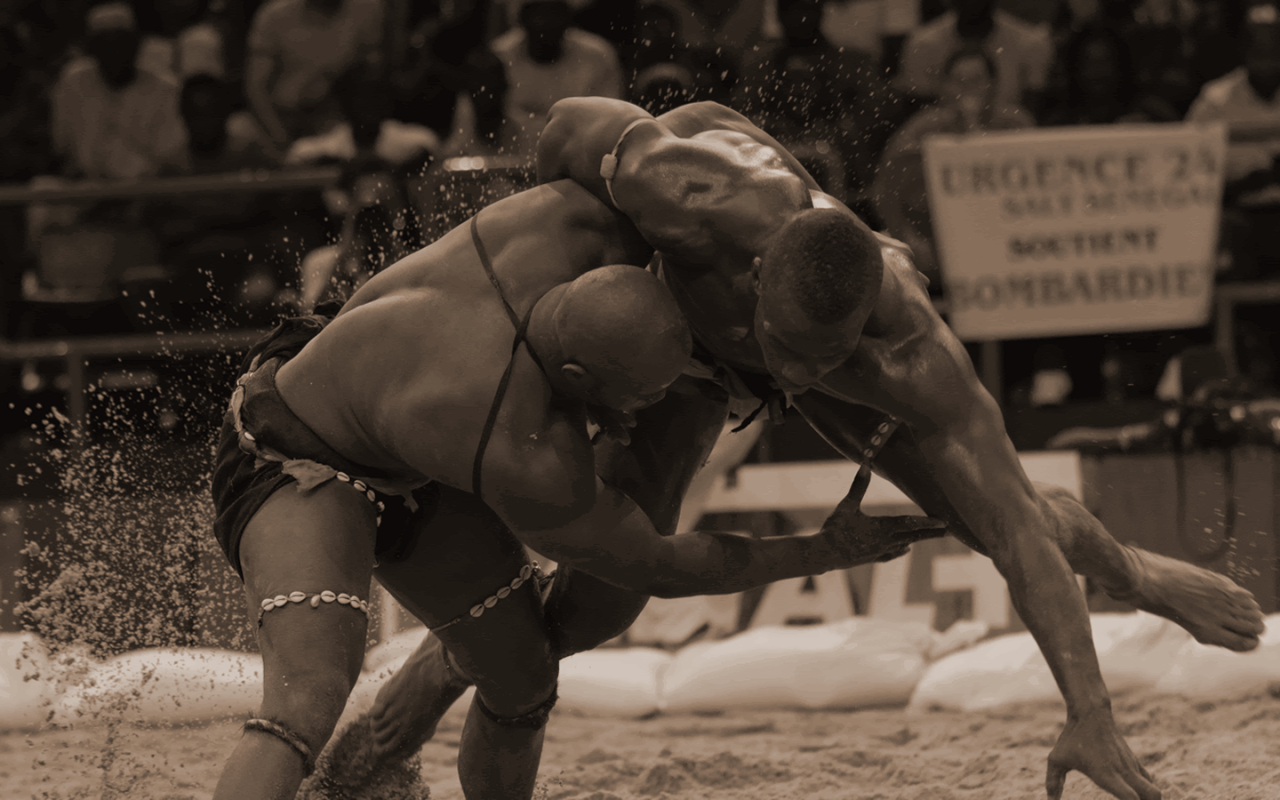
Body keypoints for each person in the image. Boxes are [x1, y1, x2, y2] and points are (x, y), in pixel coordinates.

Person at [351, 96, 1268, 800]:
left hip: (746, 354)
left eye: (817, 359)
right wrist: (570, 269)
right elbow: (560, 129)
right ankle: (452, 667)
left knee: (987, 513)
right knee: (589, 604)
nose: (794, 372)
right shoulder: (681, 188)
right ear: (754, 273)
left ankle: (1138, 576)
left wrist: (1089, 713)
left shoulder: (908, 356)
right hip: (656, 321)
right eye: (788, 348)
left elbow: (1020, 532)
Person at [208, 176, 947, 800]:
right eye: (634, 400)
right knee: (308, 698)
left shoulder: (560, 224)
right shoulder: (527, 458)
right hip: (294, 453)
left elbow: (577, 128)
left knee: (524, 678)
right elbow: (662, 566)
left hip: (411, 447)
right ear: (575, 378)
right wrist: (825, 550)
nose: (633, 422)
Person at [873, 47, 1033, 287]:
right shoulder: (922, 128)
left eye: (977, 80)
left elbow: (1036, 187)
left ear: (994, 84)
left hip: (1007, 235)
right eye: (959, 81)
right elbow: (886, 189)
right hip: (938, 238)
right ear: (944, 87)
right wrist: (907, 237)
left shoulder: (1016, 124)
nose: (968, 88)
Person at [490, 0, 625, 161]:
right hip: (508, 162)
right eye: (539, 13)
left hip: (578, 161)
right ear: (521, 17)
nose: (546, 22)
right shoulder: (498, 57)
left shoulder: (597, 56)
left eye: (554, 12)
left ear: (568, 15)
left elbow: (609, 122)